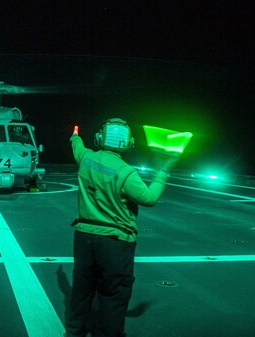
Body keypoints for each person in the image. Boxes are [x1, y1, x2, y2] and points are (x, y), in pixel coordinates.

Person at [65, 118, 179, 337]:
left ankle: (73, 332)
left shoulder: (86, 158)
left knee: (81, 291)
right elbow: (149, 198)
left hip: (84, 238)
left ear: (99, 138)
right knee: (113, 295)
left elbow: (76, 146)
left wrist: (76, 135)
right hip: (115, 244)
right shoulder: (126, 172)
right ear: (128, 144)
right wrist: (164, 170)